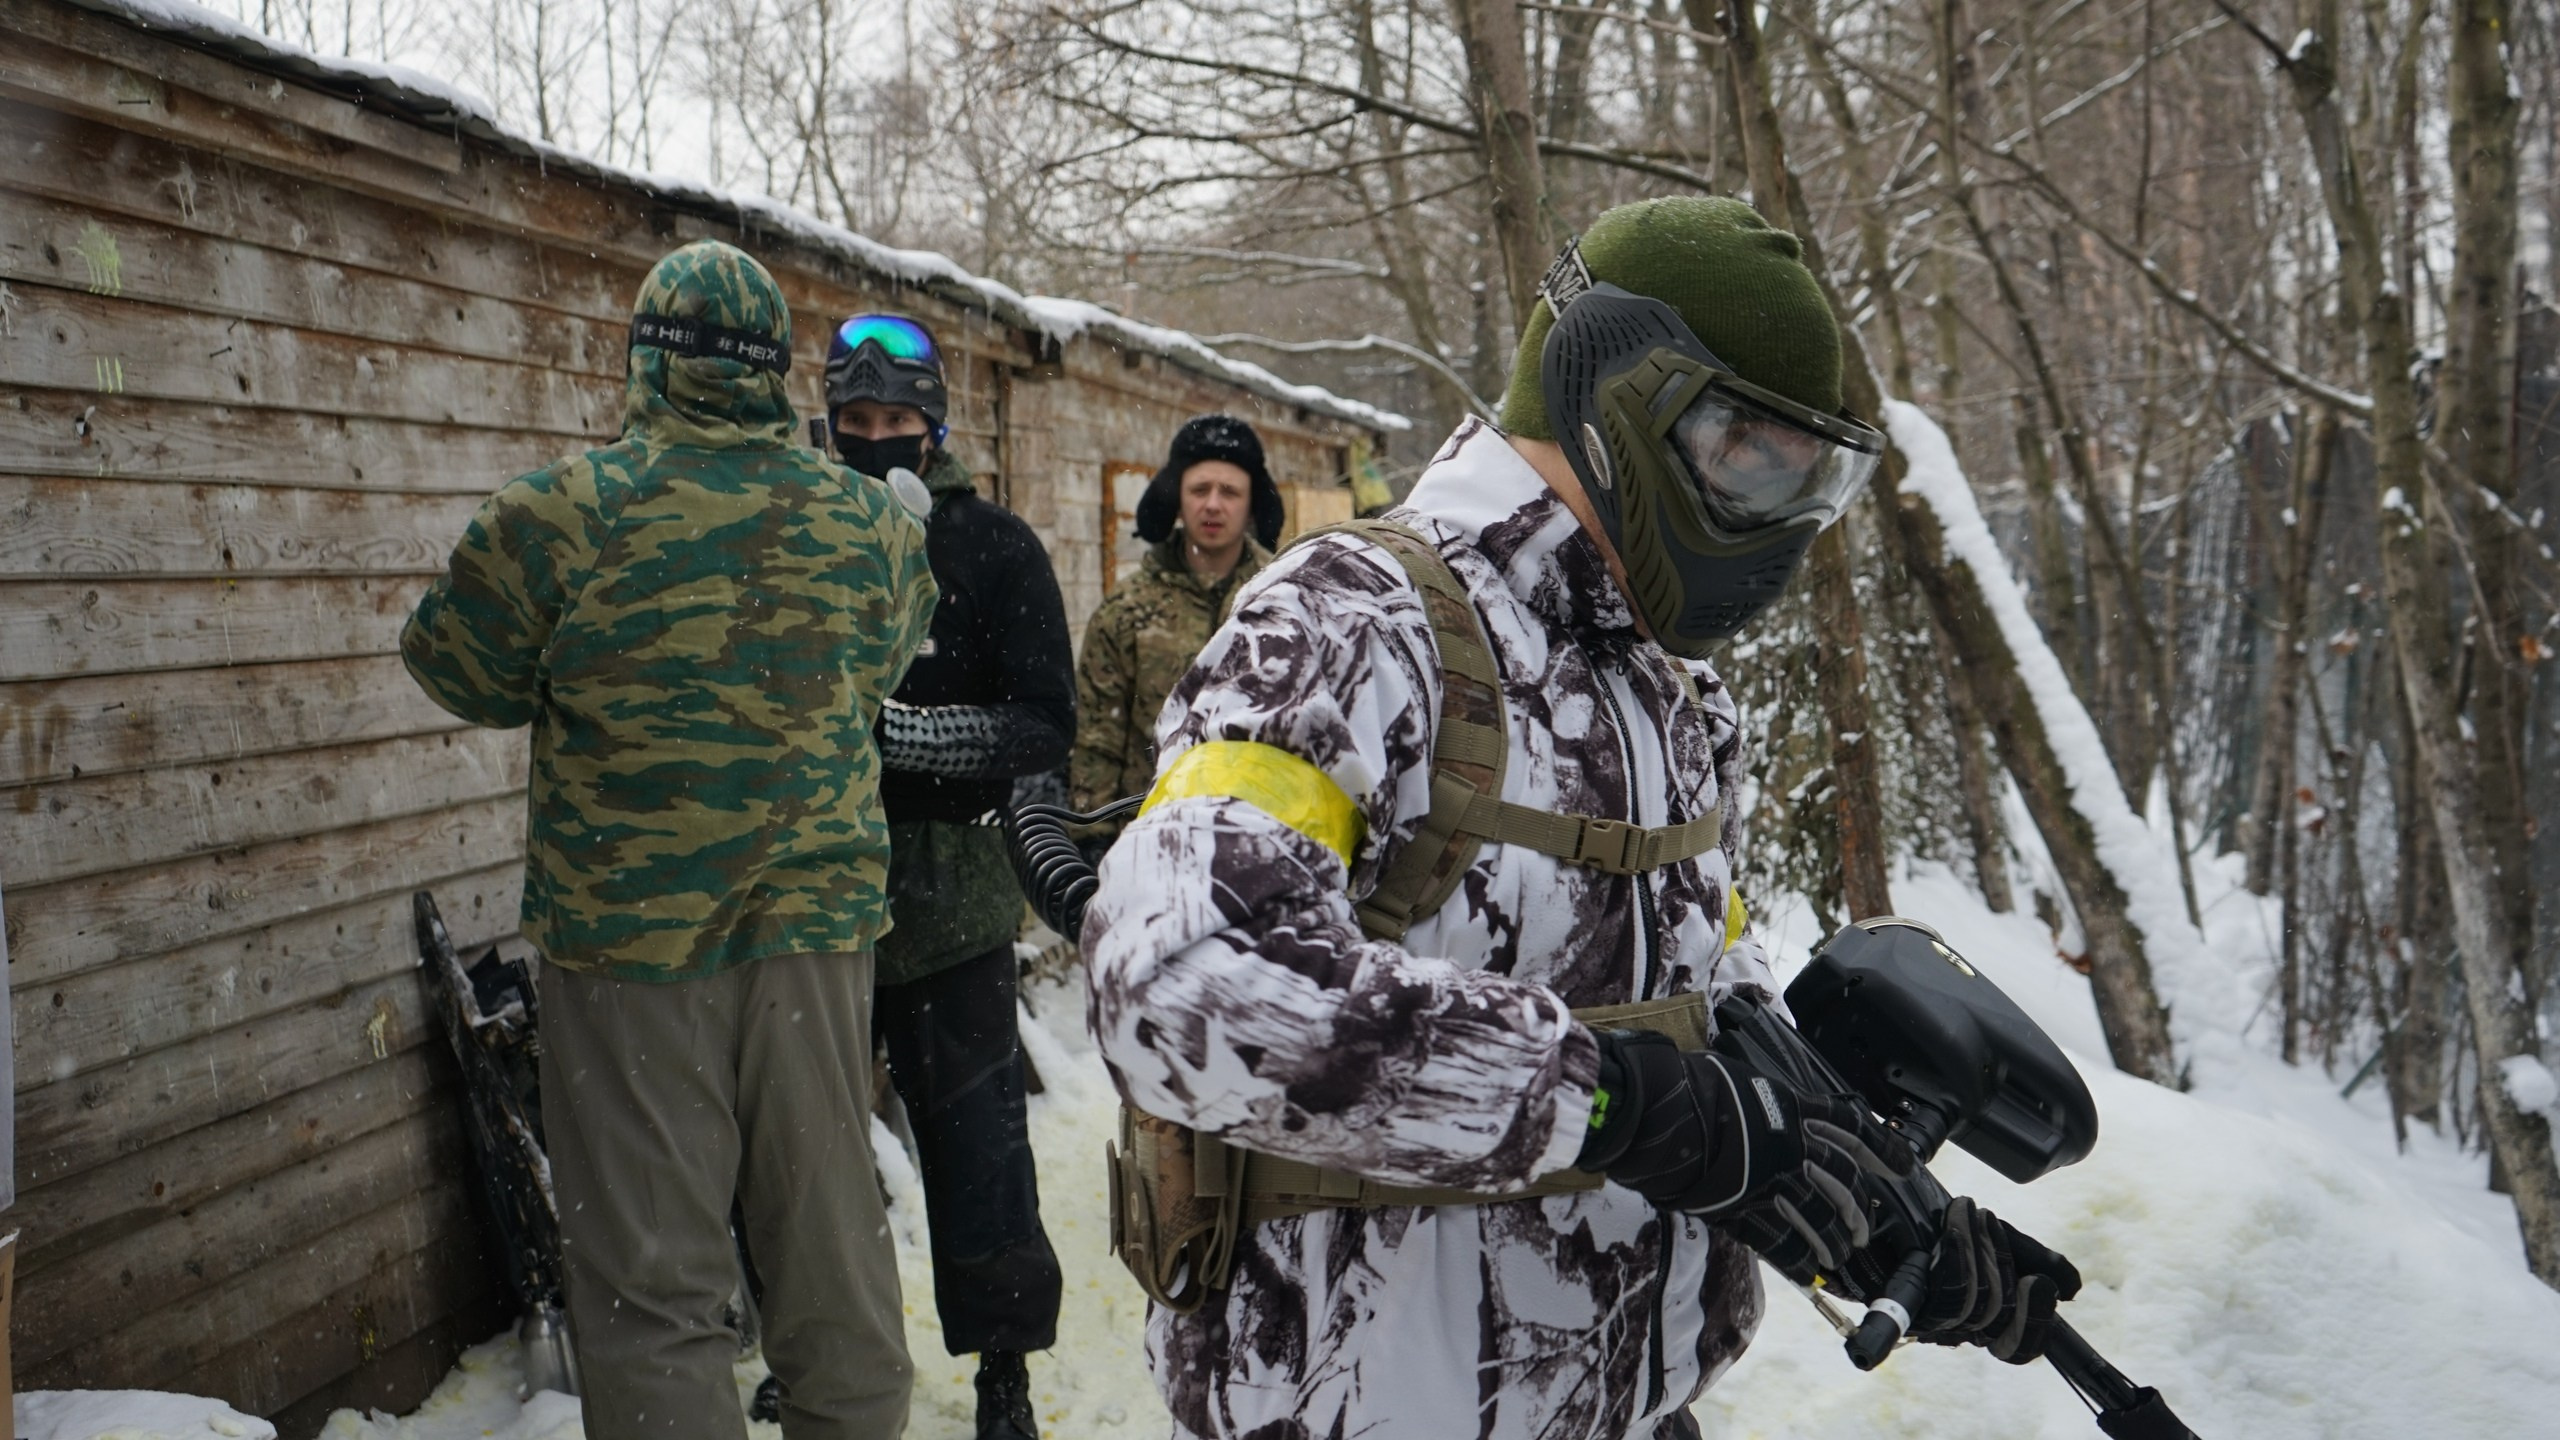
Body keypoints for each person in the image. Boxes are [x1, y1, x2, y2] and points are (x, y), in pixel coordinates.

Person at [1079, 197, 2080, 1439]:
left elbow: (1708, 998)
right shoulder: (1356, 621)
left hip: (1631, 1408)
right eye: (1746, 451)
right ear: (1612, 388)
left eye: (1805, 474)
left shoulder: (1669, 686)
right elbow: (1179, 980)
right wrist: (1607, 1102)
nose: (1773, 510)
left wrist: (1871, 1204)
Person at [401, 240, 934, 1440]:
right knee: (832, 1250)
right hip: (813, 941)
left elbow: (452, 666)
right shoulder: (870, 525)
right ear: (774, 370)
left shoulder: (555, 516)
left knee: (651, 1289)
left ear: (643, 357)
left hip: (629, 949)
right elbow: (885, 661)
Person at [822, 312, 1071, 1440]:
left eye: (898, 421)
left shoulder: (992, 548)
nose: (879, 441)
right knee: (807, 1159)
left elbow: (1041, 725)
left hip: (952, 893)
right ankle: (815, 1346)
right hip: (813, 892)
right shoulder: (800, 534)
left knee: (979, 1153)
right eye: (857, 422)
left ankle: (1003, 1370)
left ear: (935, 425)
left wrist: (911, 739)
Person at [1067, 413, 1284, 815]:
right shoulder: (1126, 611)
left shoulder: (1283, 601)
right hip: (1148, 833)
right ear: (1176, 499)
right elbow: (1098, 742)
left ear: (1252, 503)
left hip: (1261, 831)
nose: (1213, 505)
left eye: (1230, 492)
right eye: (1200, 489)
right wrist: (1091, 837)